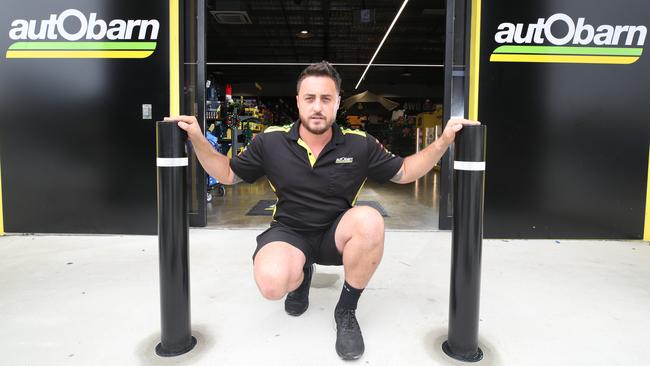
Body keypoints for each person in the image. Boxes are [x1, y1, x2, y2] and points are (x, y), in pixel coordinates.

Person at [166, 61, 478, 360]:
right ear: (298, 102)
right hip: (289, 232)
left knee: (369, 220)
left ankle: (345, 310)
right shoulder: (270, 141)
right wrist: (196, 138)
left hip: (335, 235)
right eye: (310, 98)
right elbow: (228, 174)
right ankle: (300, 275)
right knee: (273, 284)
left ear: (338, 102)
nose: (318, 106)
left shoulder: (360, 144)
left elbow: (405, 171)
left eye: (326, 98)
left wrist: (443, 142)